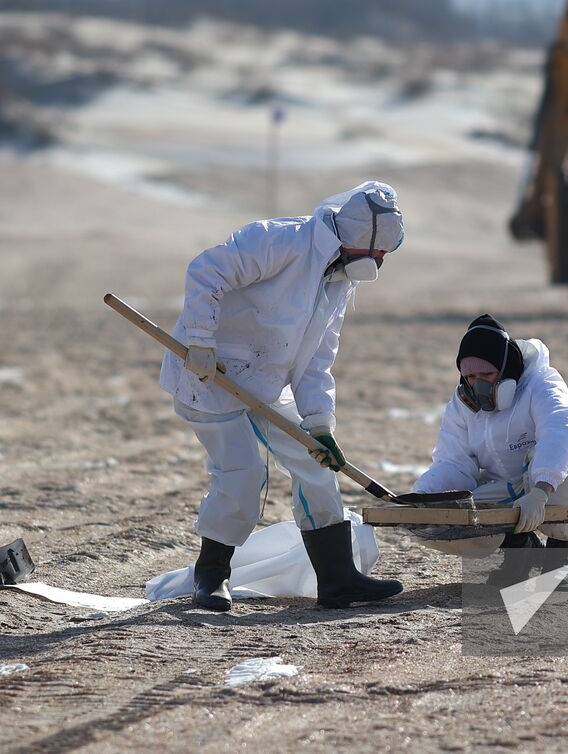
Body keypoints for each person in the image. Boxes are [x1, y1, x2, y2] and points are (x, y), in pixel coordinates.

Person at [158, 181, 406, 611]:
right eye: (379, 253)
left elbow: (316, 359)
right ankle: (210, 577)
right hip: (208, 378)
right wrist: (199, 341)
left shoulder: (340, 279)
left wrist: (319, 424)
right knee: (241, 475)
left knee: (316, 466)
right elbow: (207, 270)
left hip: (267, 385)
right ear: (357, 240)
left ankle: (337, 579)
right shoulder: (280, 240)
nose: (380, 261)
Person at [412, 314, 568, 573]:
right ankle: (520, 549)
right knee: (447, 517)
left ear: (506, 368)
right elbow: (453, 463)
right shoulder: (462, 406)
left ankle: (558, 558)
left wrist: (540, 491)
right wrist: (421, 497)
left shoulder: (542, 385)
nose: (478, 384)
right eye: (470, 376)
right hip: (509, 489)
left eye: (487, 374)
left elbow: (562, 430)